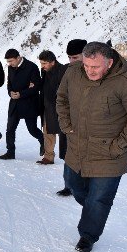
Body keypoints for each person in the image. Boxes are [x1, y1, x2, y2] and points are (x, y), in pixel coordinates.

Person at [56, 42, 127, 252]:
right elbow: (61, 99)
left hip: (110, 154)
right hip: (77, 148)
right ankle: (94, 211)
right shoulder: (73, 72)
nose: (89, 71)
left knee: (99, 198)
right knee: (73, 185)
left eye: (95, 67)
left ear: (109, 62)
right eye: (87, 65)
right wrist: (66, 125)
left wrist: (118, 146)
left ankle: (88, 235)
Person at [0, 49, 43, 160]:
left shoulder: (32, 67)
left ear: (18, 58)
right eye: (8, 62)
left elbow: (37, 86)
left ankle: (43, 140)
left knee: (32, 129)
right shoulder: (10, 67)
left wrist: (21, 94)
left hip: (29, 104)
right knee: (10, 129)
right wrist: (10, 92)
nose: (9, 64)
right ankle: (10, 152)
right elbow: (9, 83)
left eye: (11, 61)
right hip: (15, 103)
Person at [57, 38, 87, 196]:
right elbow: (61, 98)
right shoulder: (66, 70)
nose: (71, 61)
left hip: (90, 124)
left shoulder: (96, 70)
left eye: (75, 57)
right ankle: (69, 185)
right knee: (69, 156)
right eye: (69, 58)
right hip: (69, 124)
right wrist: (65, 122)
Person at [37, 50, 68, 165]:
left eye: (44, 63)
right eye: (41, 63)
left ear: (52, 62)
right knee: (47, 132)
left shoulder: (63, 70)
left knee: (65, 134)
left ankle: (70, 158)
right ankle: (48, 157)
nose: (42, 66)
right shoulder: (44, 71)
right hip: (47, 107)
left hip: (61, 108)